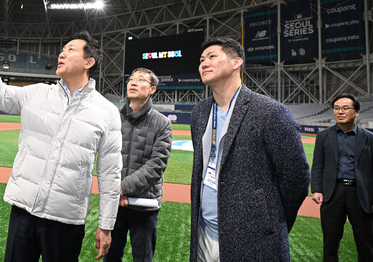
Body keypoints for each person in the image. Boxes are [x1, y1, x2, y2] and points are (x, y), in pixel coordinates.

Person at [0, 14, 122, 262]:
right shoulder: (37, 93)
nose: (61, 54)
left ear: (89, 62)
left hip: (66, 220)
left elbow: (110, 173)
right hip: (24, 211)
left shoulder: (107, 112)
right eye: (62, 49)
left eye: (70, 50)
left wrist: (106, 224)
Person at [189, 37, 310, 261]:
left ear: (237, 62)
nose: (204, 63)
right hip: (204, 233)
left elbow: (297, 178)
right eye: (201, 59)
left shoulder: (270, 112)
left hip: (252, 239)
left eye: (212, 56)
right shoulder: (199, 113)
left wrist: (271, 221)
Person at [104, 68, 173, 262]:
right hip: (115, 204)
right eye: (131, 79)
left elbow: (157, 164)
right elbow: (105, 157)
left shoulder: (162, 123)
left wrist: (123, 187)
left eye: (141, 80)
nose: (133, 82)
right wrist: (116, 189)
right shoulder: (113, 118)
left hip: (144, 205)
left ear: (152, 89)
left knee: (143, 258)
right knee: (110, 256)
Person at [311, 94, 373, 261]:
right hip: (333, 193)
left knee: (365, 242)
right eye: (337, 108)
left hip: (360, 195)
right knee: (330, 242)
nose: (340, 112)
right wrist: (316, 189)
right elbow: (318, 165)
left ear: (357, 112)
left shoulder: (369, 138)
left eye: (345, 108)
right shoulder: (323, 136)